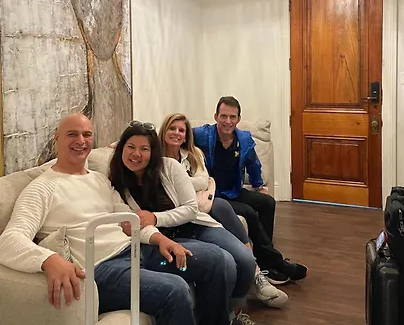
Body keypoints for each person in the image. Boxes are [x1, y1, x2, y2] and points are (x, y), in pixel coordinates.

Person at [0, 114, 234, 325]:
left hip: (136, 251)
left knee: (213, 259)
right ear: (57, 138)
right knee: (175, 290)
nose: (81, 141)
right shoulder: (41, 189)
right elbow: (9, 239)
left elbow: (128, 221)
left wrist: (159, 239)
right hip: (103, 269)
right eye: (72, 134)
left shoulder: (100, 180)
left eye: (86, 134)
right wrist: (48, 259)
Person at [109, 120, 259, 325]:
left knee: (246, 260)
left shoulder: (169, 167)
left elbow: (191, 209)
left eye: (144, 149)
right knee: (225, 262)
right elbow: (129, 221)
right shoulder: (117, 182)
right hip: (164, 238)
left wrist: (155, 217)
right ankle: (223, 316)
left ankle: (233, 310)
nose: (137, 154)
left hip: (195, 225)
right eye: (131, 147)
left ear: (153, 151)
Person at [159, 113, 288, 308]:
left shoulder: (194, 154)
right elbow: (135, 144)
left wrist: (258, 184)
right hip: (184, 213)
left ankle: (260, 268)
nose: (177, 133)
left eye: (181, 130)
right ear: (216, 117)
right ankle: (259, 272)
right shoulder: (156, 155)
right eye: (172, 128)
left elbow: (204, 180)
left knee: (259, 204)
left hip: (205, 203)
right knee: (230, 209)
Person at [193, 96, 308, 285]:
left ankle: (265, 259)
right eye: (223, 116)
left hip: (234, 190)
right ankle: (274, 263)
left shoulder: (244, 139)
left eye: (232, 117)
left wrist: (258, 185)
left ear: (238, 119)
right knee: (248, 212)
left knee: (267, 202)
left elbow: (253, 164)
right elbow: (179, 137)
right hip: (213, 196)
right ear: (215, 117)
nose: (227, 121)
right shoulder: (202, 135)